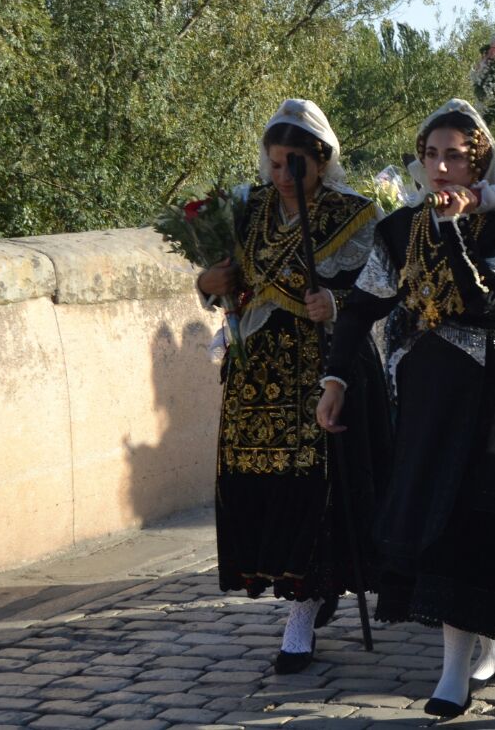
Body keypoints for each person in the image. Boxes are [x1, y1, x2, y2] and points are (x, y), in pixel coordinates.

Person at [324, 99, 495, 718]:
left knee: (483, 510)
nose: (441, 167)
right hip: (429, 388)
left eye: (456, 156)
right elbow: (363, 307)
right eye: (432, 155)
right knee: (440, 509)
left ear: (478, 162)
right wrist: (336, 378)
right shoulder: (397, 230)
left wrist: (452, 229)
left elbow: (485, 304)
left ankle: (466, 660)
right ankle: (464, 653)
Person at [197, 99, 387, 675]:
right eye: (274, 164)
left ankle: (303, 611)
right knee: (261, 481)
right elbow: (224, 286)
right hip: (256, 372)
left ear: (321, 159)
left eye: (294, 165)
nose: (281, 177)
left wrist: (337, 302)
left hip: (324, 366)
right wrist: (209, 282)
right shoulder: (245, 210)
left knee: (315, 483)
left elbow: (381, 288)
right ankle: (292, 585)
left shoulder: (354, 215)